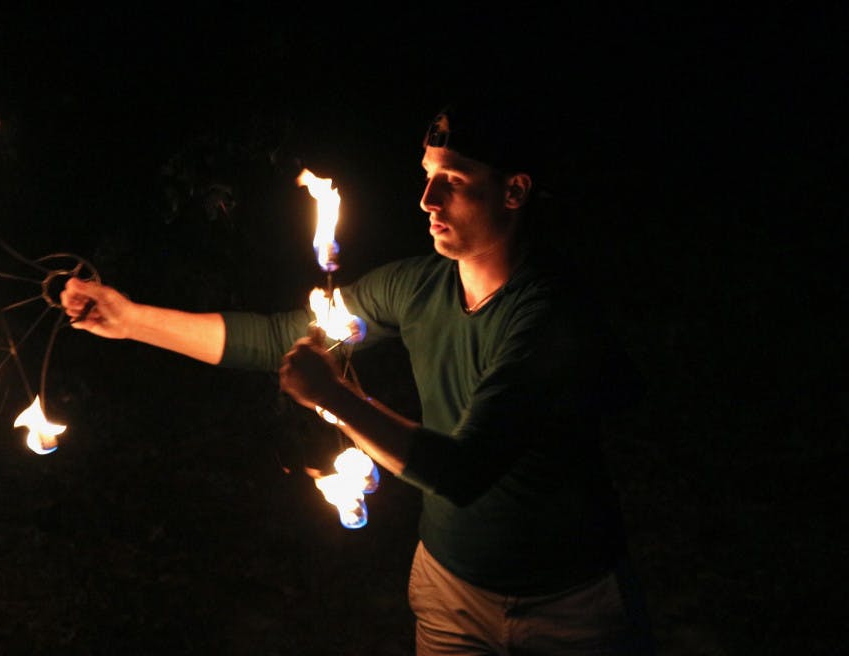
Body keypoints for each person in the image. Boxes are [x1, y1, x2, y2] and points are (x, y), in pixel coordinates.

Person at [60, 97, 655, 655]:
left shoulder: (548, 317)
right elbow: (276, 337)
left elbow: (463, 470)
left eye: (452, 180)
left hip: (570, 607)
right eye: (427, 174)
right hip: (450, 591)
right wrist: (131, 320)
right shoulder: (417, 287)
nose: (427, 199)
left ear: (514, 191)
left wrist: (335, 398)